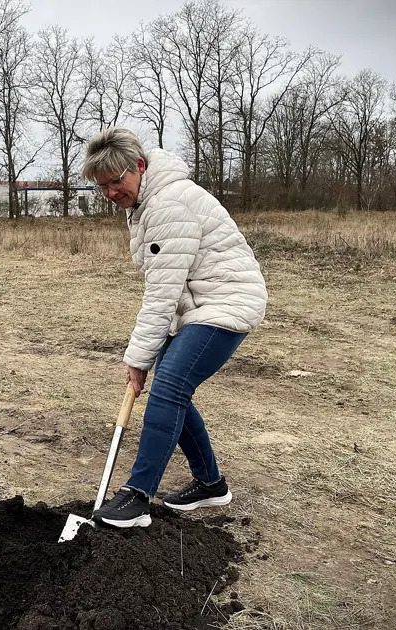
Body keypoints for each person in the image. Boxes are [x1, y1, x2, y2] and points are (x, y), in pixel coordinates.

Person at [81, 127, 268, 529]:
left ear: (140, 167)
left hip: (226, 302)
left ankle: (137, 494)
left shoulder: (167, 205)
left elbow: (161, 292)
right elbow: (168, 285)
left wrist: (138, 358)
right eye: (103, 187)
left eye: (117, 181)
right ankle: (210, 484)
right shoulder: (145, 204)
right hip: (198, 305)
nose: (112, 192)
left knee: (169, 386)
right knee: (173, 387)